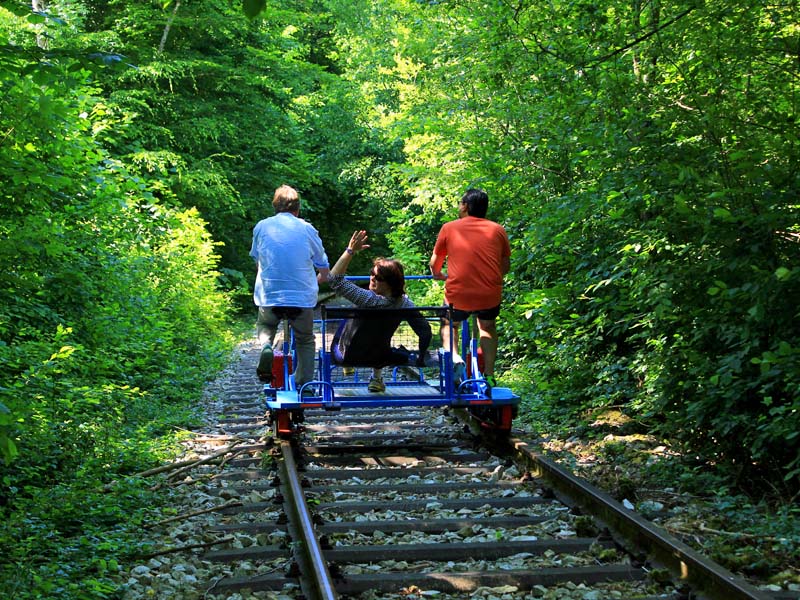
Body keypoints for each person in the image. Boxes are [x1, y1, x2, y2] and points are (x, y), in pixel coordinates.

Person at [327, 230, 431, 393]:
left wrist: (350, 251)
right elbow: (425, 330)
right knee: (381, 335)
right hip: (379, 356)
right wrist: (421, 356)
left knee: (351, 314)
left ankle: (350, 366)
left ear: (390, 283)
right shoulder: (404, 304)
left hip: (346, 355)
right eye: (371, 274)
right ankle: (377, 378)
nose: (372, 278)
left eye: (378, 278)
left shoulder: (366, 299)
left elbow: (334, 279)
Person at [429, 188, 511, 389]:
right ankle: (489, 375)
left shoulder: (449, 228)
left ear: (465, 206)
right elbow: (505, 265)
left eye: (460, 203)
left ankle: (455, 357)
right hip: (489, 292)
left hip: (459, 293)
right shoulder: (497, 229)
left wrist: (439, 275)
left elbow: (435, 264)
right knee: (487, 327)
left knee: (449, 323)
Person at [250, 184, 330, 388]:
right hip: (301, 298)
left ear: (275, 206)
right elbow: (322, 264)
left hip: (269, 296)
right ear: (298, 208)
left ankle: (266, 345)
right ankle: (305, 384)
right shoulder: (306, 228)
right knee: (305, 339)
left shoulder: (261, 226)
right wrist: (320, 277)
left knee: (266, 325)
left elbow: (258, 261)